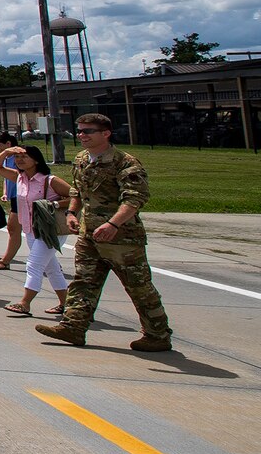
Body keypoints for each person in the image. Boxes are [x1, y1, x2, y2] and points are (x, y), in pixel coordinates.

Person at [38, 114, 174, 351]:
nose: (81, 135)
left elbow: (135, 199)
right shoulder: (82, 159)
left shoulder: (125, 163)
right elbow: (77, 192)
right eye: (79, 131)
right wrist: (71, 213)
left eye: (88, 131)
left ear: (106, 133)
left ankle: (157, 334)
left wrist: (113, 224)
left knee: (138, 286)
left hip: (122, 239)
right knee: (83, 282)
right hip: (89, 235)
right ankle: (73, 327)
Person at [1, 144, 69, 317]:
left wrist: (54, 204)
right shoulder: (19, 178)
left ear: (36, 159)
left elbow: (76, 195)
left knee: (34, 264)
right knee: (51, 268)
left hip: (50, 230)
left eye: (25, 156)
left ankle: (25, 303)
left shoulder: (49, 180)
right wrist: (7, 152)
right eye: (17, 157)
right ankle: (66, 304)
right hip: (31, 230)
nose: (20, 160)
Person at [0, 130, 25, 270]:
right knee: (13, 228)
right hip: (15, 197)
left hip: (24, 197)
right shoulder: (6, 157)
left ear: (9, 143)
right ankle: (5, 260)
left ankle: (6, 260)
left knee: (19, 229)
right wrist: (5, 192)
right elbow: (5, 176)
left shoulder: (19, 157)